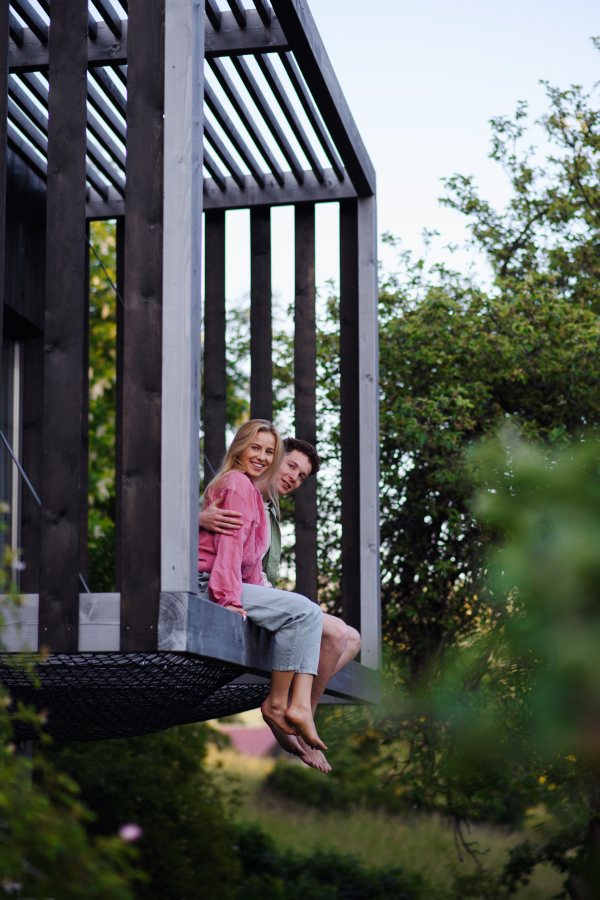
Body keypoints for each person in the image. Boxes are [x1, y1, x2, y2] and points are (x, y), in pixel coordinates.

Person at [200, 437, 361, 773]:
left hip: (246, 587)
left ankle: (301, 713)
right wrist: (195, 517)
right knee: (313, 618)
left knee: (351, 639)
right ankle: (287, 709)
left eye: (301, 476)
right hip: (221, 586)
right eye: (290, 466)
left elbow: (253, 570)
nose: (293, 477)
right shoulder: (238, 486)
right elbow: (220, 552)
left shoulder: (267, 507)